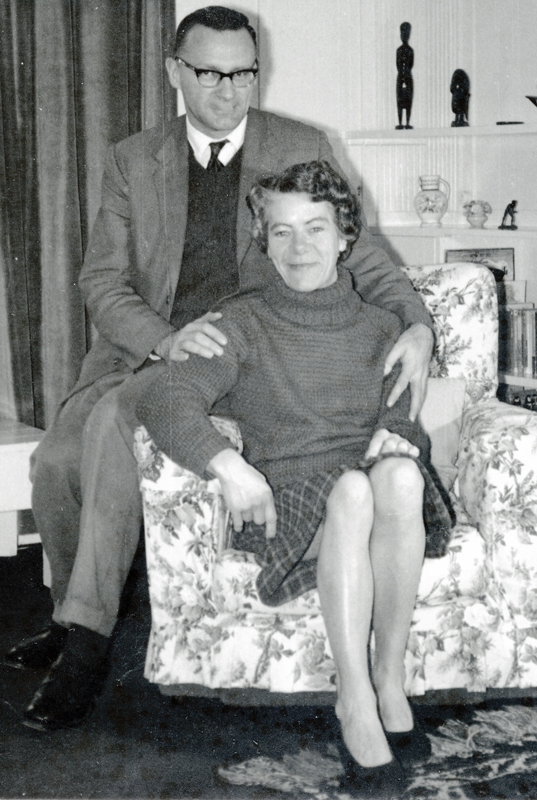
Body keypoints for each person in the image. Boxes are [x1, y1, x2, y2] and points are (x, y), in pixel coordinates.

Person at [5, 6, 434, 732]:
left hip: (249, 351)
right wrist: (166, 339)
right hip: (150, 346)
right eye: (208, 73)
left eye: (243, 73)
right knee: (54, 462)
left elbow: (364, 255)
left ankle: (87, 642)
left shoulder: (299, 145)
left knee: (113, 427)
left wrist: (418, 325)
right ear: (174, 72)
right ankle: (65, 611)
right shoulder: (132, 159)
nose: (228, 91)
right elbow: (101, 281)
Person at [137, 161, 453, 797]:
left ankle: (389, 678)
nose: (299, 247)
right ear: (264, 239)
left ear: (345, 236)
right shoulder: (241, 324)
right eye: (281, 231)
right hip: (285, 506)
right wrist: (229, 466)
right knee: (356, 489)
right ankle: (354, 698)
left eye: (316, 228)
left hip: (369, 495)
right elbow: (162, 398)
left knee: (398, 477)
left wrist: (401, 437)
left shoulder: (382, 327)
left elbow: (403, 419)